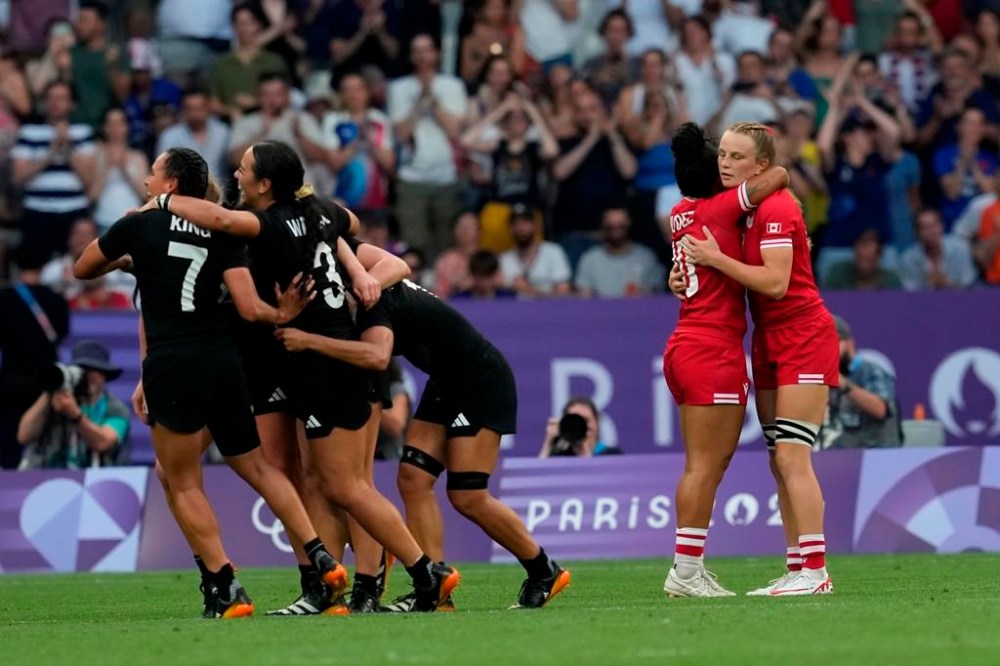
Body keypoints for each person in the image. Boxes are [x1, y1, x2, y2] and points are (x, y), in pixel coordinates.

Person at [148, 141, 460, 614]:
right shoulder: (316, 212)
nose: (237, 174)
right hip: (298, 360)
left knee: (341, 484)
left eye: (246, 168)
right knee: (320, 481)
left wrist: (161, 203)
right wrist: (355, 268)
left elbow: (225, 223)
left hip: (322, 357)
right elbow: (347, 226)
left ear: (266, 183)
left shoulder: (259, 224)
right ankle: (340, 585)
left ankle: (407, 576)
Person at [74, 146, 348, 619]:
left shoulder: (139, 225)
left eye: (153, 173)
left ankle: (225, 584)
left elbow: (82, 269)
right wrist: (280, 313)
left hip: (174, 362)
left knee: (179, 480)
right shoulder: (222, 228)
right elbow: (247, 307)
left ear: (172, 185)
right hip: (226, 363)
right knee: (260, 468)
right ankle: (319, 556)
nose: (146, 182)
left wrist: (125, 254)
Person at [275, 272, 571, 611]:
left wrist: (309, 340)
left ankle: (543, 569)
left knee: (468, 495)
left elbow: (377, 356)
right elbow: (393, 264)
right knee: (413, 479)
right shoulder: (369, 284)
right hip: (445, 382)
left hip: (480, 379)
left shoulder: (374, 303)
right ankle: (434, 587)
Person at [680, 121, 837, 597]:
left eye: (736, 157)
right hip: (769, 340)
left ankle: (816, 571)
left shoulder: (775, 207)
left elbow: (775, 283)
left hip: (804, 335)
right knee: (778, 459)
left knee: (792, 456)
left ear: (760, 165)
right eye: (722, 155)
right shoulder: (745, 211)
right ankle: (797, 567)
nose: (725, 163)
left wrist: (714, 259)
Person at [663, 122, 788, 598]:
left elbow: (681, 271)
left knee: (706, 464)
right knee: (704, 466)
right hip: (711, 347)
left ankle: (690, 568)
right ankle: (686, 572)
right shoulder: (719, 207)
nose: (728, 165)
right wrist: (748, 167)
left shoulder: (681, 211)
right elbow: (777, 175)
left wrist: (675, 279)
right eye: (723, 159)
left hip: (686, 343)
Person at [0, 246, 70, 470]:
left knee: (10, 440)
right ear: (44, 266)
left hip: (11, 380)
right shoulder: (58, 300)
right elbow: (63, 332)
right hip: (47, 381)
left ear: (15, 266)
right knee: (47, 437)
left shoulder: (4, 299)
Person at [17, 340, 130, 469]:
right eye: (83, 370)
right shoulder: (55, 399)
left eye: (94, 370)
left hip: (96, 480)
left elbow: (103, 442)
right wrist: (50, 390)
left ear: (105, 375)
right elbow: (24, 436)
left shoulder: (116, 409)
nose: (87, 376)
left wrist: (75, 415)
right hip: (47, 476)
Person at [825, 316, 902, 449]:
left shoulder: (870, 369)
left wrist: (844, 384)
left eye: (834, 342)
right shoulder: (824, 374)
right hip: (840, 454)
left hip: (877, 455)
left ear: (850, 343)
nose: (828, 350)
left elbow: (880, 409)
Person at [575, 208, 664, 297]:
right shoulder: (590, 259)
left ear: (629, 224)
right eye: (610, 226)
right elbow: (583, 295)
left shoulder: (646, 257)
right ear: (602, 225)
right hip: (599, 310)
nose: (616, 229)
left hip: (638, 309)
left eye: (621, 226)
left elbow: (657, 291)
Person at [498, 203, 572, 297]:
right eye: (516, 223)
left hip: (550, 310)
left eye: (526, 223)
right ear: (510, 229)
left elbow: (563, 294)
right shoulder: (505, 259)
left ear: (536, 226)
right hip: (516, 310)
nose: (521, 228)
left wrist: (528, 289)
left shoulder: (553, 252)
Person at [899, 208, 978, 290]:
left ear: (942, 226)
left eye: (934, 225)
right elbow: (909, 295)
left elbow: (970, 286)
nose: (931, 231)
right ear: (917, 232)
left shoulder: (960, 249)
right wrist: (928, 286)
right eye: (925, 227)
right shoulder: (909, 258)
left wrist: (948, 284)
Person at [538, 397, 621, 457]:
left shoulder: (612, 455)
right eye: (575, 421)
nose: (581, 425)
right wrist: (548, 443)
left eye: (586, 420)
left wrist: (584, 451)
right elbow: (539, 477)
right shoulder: (560, 457)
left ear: (597, 422)